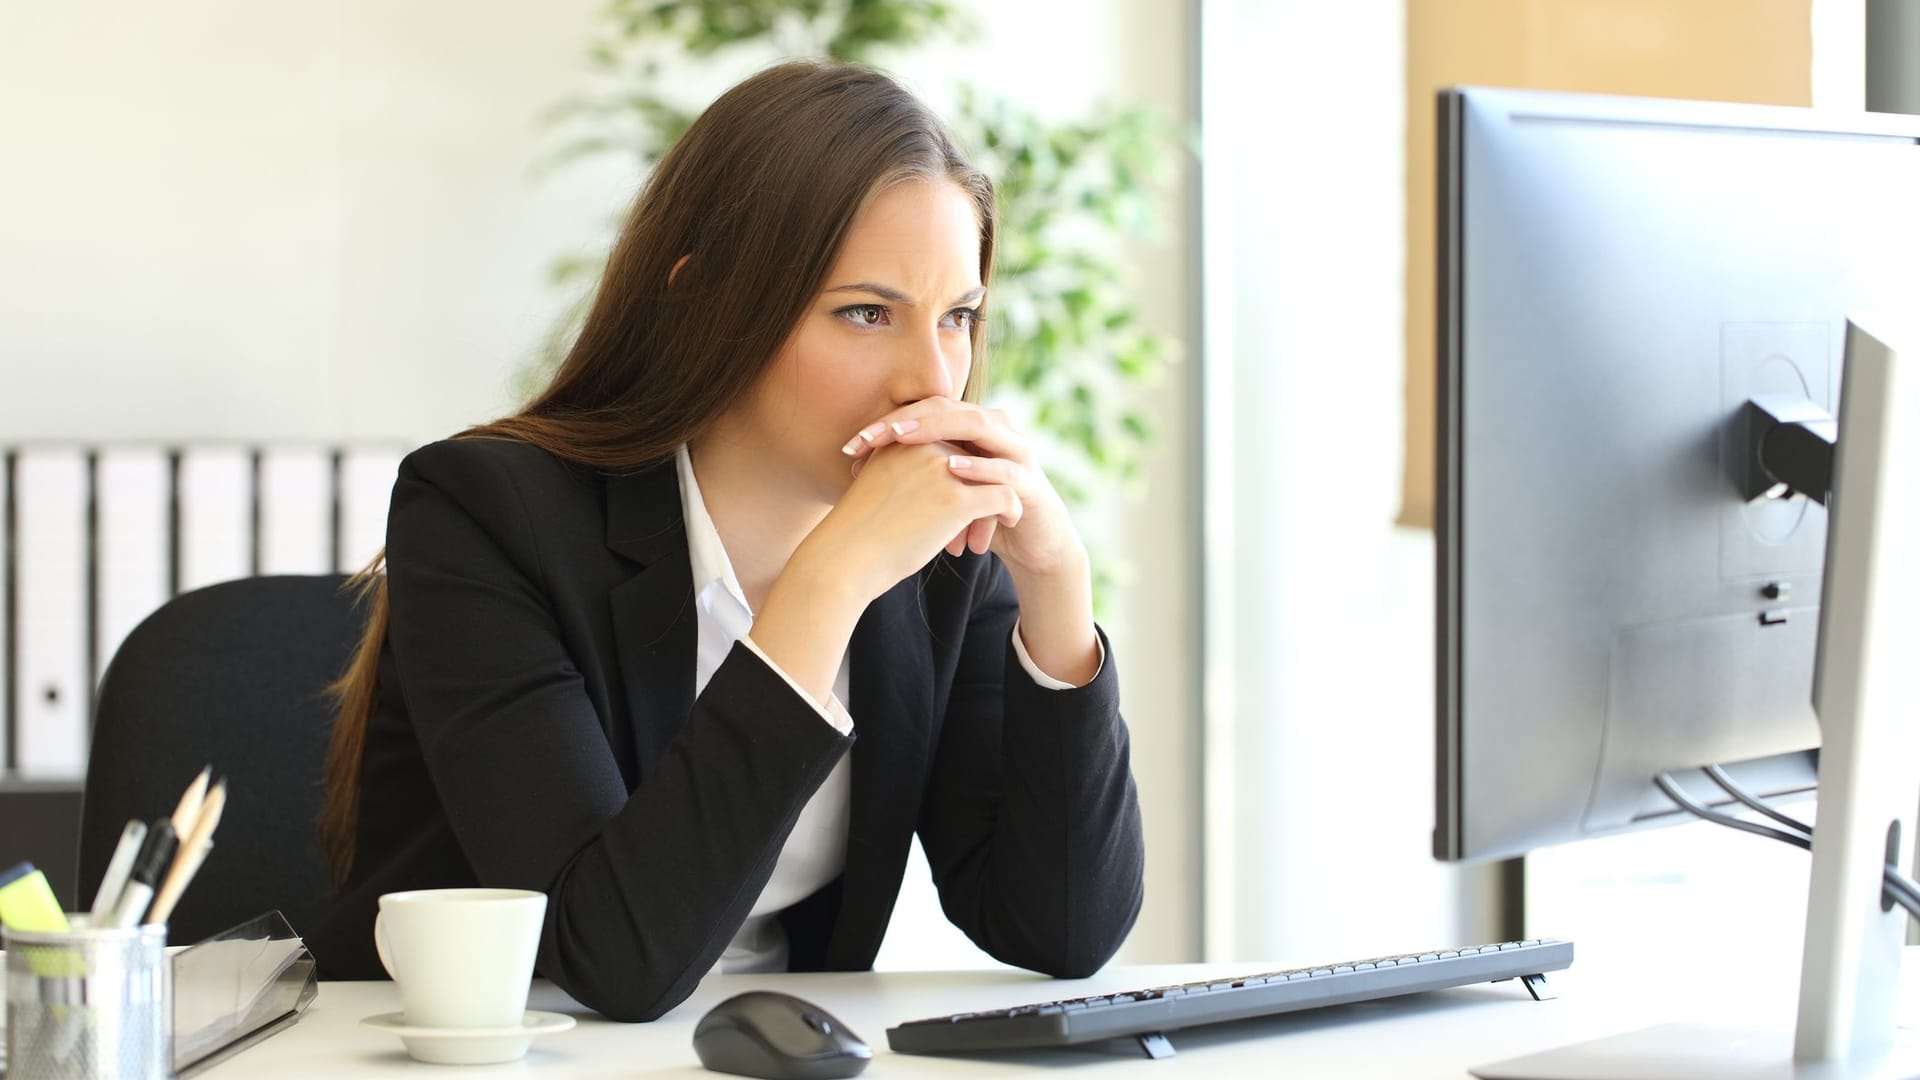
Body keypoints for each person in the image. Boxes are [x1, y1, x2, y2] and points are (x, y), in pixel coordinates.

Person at [309, 59, 1145, 1022]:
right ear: (706, 301)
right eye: (866, 313)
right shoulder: (486, 513)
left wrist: (1055, 586)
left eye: (958, 317)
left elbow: (1064, 930)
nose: (933, 380)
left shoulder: (941, 556)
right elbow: (609, 959)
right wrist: (831, 579)